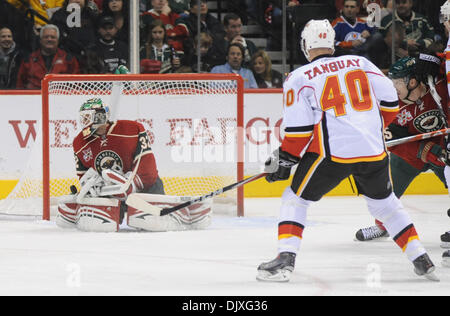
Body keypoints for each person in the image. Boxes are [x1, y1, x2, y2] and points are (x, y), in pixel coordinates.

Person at [256, 19, 437, 282]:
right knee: (386, 205)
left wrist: (285, 159)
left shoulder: (299, 77)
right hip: (374, 151)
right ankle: (421, 258)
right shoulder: (360, 63)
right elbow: (389, 99)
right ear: (331, 43)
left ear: (306, 46)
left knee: (295, 199)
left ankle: (285, 259)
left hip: (335, 154)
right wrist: (373, 130)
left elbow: (299, 129)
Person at [56, 98, 212, 232]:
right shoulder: (79, 143)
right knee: (102, 224)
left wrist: (132, 186)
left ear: (99, 117)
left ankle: (184, 214)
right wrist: (91, 189)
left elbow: (148, 166)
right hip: (112, 193)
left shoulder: (131, 129)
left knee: (154, 224)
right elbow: (84, 176)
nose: (83, 123)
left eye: (86, 118)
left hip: (145, 188)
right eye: (82, 118)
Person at [16, 24, 79, 89]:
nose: (49, 39)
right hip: (34, 97)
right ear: (40, 40)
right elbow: (20, 84)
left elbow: (76, 84)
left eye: (53, 37)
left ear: (58, 40)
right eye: (46, 37)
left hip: (61, 97)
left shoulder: (69, 59)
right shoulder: (28, 60)